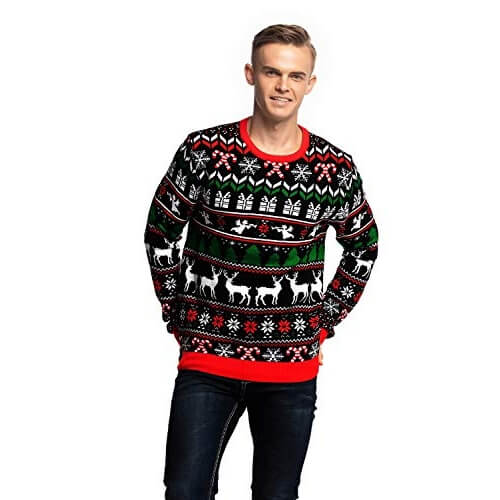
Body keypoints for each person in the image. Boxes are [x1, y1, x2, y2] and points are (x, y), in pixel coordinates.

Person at [144, 23, 379, 500]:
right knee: (185, 490)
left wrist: (323, 322)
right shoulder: (203, 152)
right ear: (250, 74)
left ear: (310, 83)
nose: (282, 86)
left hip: (291, 369)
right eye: (272, 72)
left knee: (277, 495)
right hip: (208, 360)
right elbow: (160, 231)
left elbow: (364, 246)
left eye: (295, 76)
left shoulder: (334, 169)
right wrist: (177, 312)